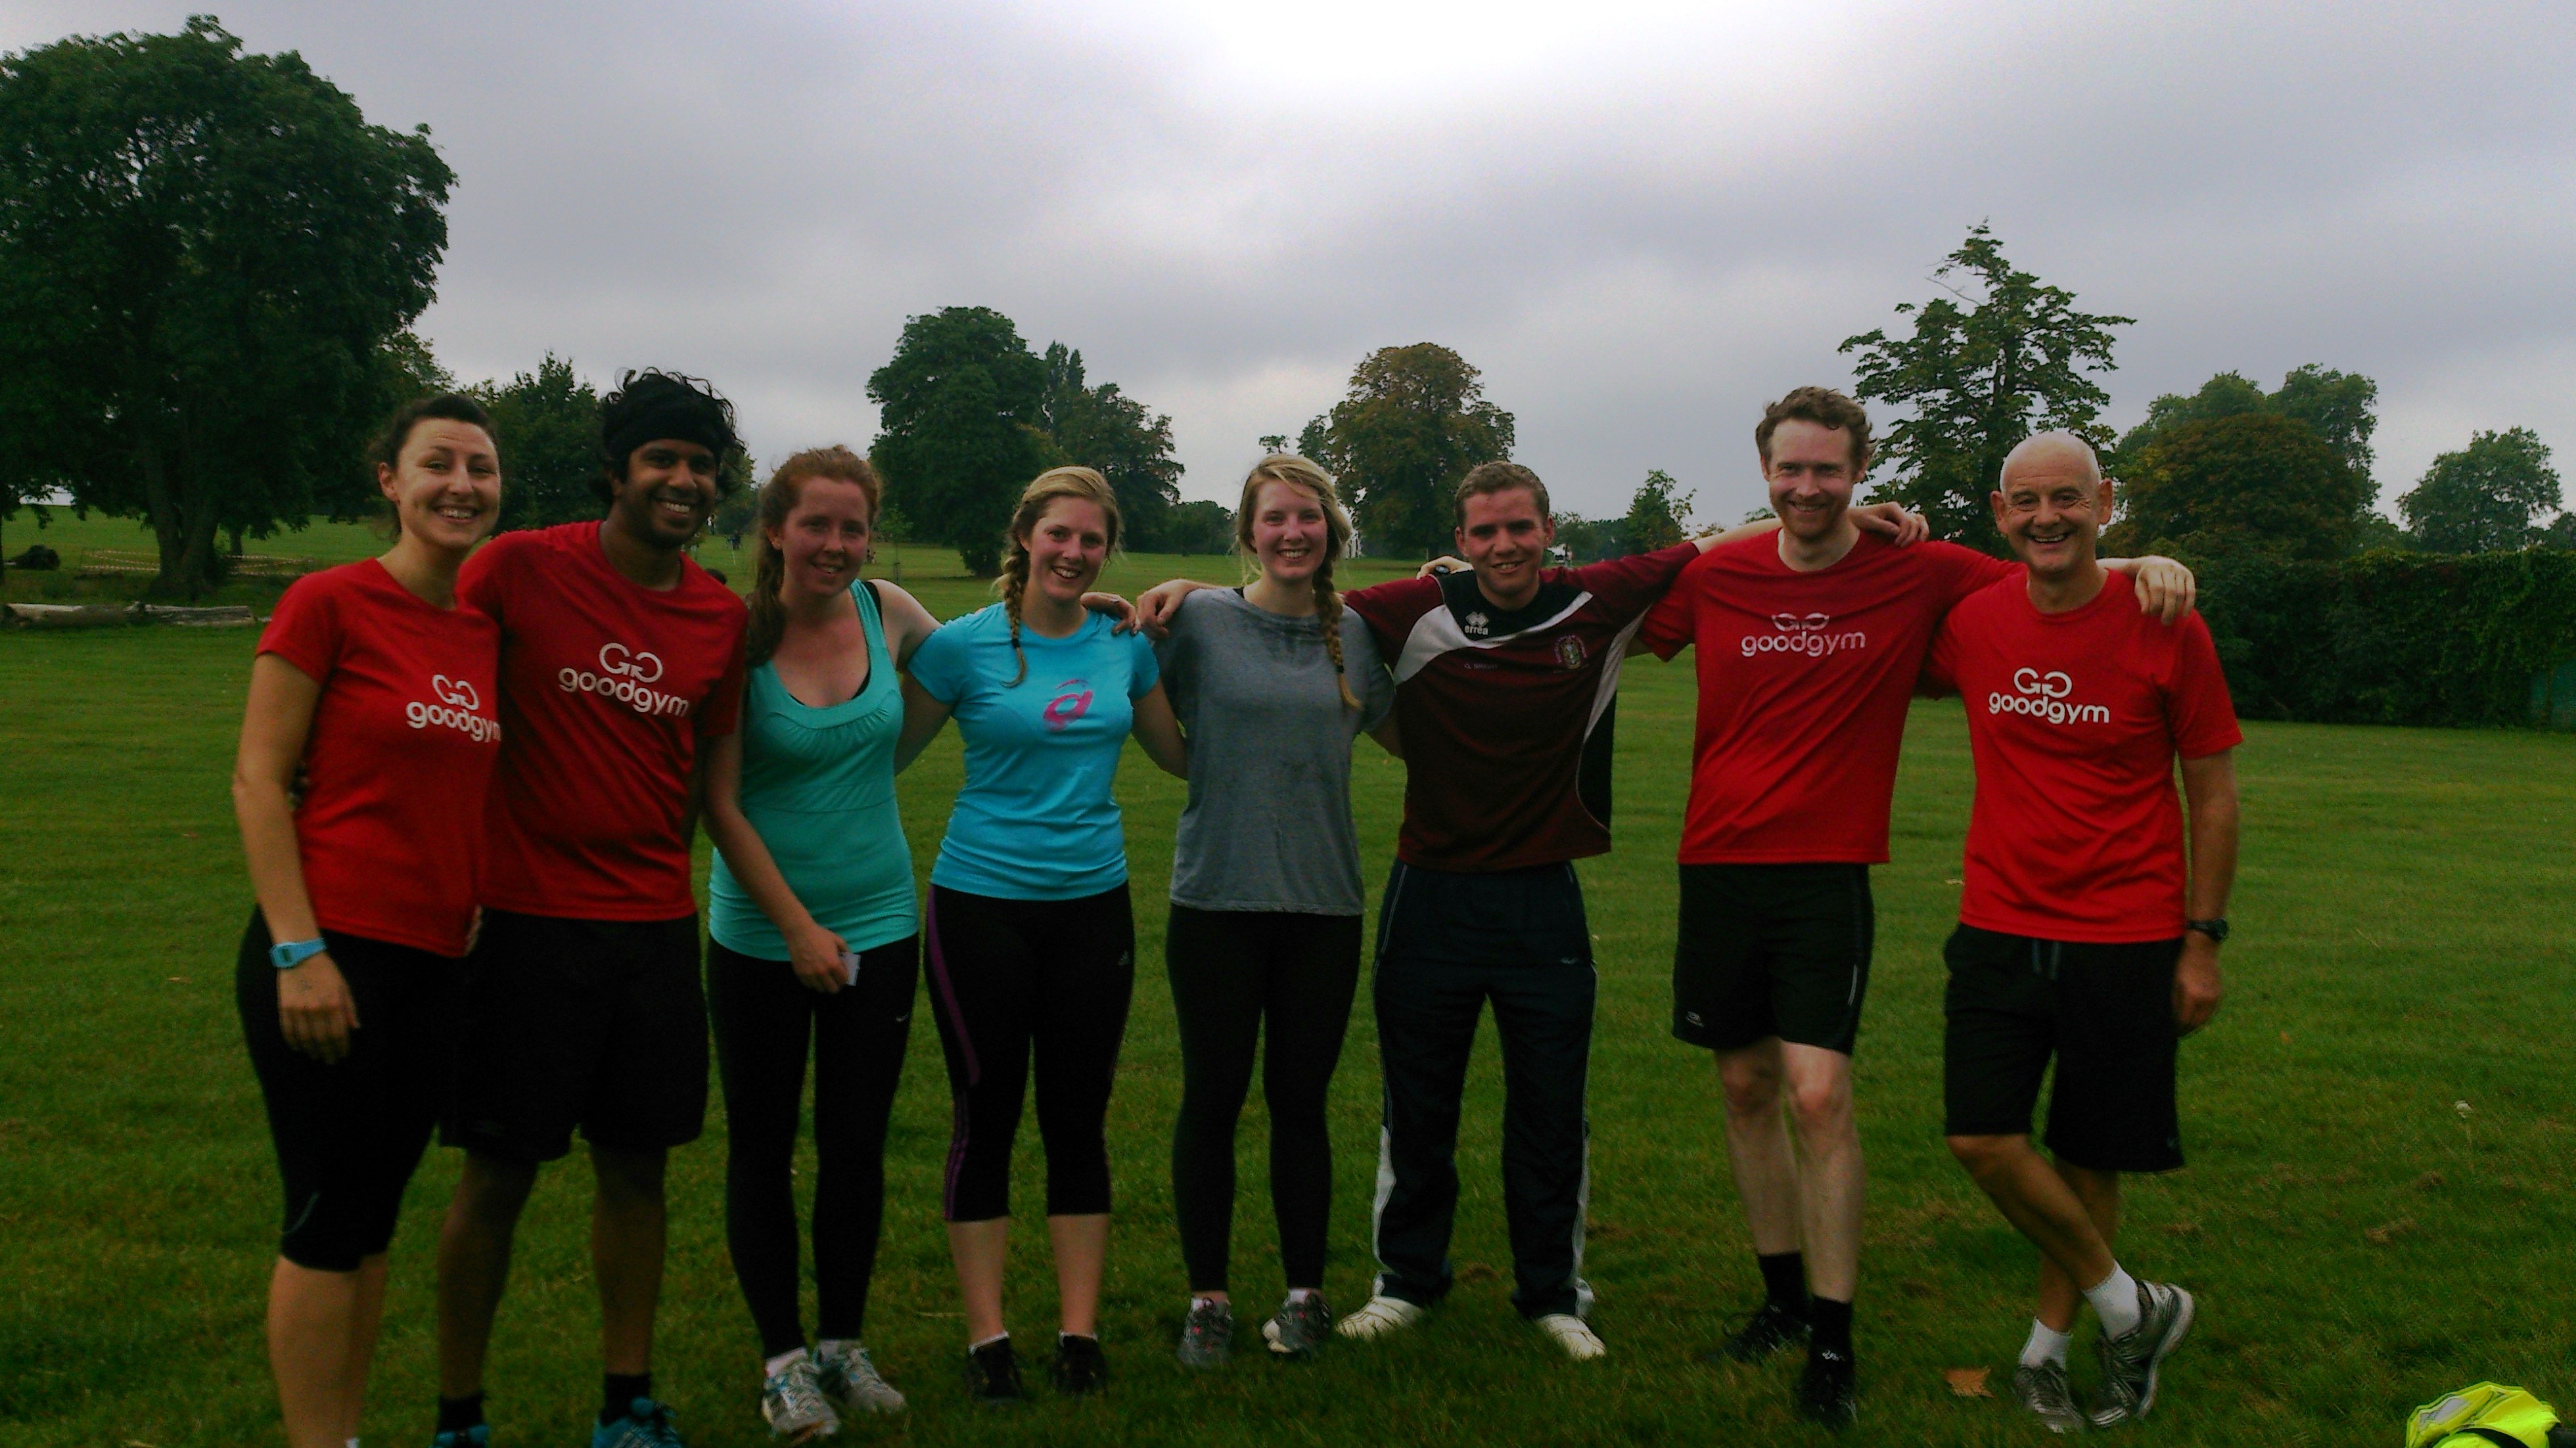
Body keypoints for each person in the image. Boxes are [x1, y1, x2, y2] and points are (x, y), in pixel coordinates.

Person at [1136, 463, 1919, 1363]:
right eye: (1485, 532)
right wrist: (1188, 586)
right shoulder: (1404, 610)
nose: (1504, 545)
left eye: (1520, 527)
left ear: (1549, 529)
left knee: (1549, 1109)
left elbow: (1711, 543)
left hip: (1544, 895)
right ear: (1462, 544)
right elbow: (1285, 588)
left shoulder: (1596, 599)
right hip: (1427, 891)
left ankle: (1554, 1293)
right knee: (1417, 1107)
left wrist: (1843, 511)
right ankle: (1406, 1283)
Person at [1636, 387, 2196, 1426]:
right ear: (1766, 473)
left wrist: (2137, 565)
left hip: (1827, 871)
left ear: (1860, 473)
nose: (1809, 488)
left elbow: (2051, 571)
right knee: (1747, 1088)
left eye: (1828, 471)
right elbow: (1612, 627)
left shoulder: (1914, 567)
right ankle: (1780, 1305)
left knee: (1816, 1096)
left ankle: (1836, 1345)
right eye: (1790, 471)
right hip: (1715, 862)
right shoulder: (1721, 573)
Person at [432, 372, 751, 1448]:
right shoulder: (518, 569)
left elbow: (713, 782)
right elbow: (423, 678)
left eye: (702, 465)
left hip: (653, 932)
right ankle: (459, 1414)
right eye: (662, 458)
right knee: (498, 1174)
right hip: (522, 925)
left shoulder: (718, 615)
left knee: (637, 1169)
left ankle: (627, 1400)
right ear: (616, 469)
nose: (684, 479)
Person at [1921, 433, 2238, 1432]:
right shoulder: (1972, 623)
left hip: (2129, 932)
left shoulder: (2168, 620)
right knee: (1980, 1135)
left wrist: (2203, 940)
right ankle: (2132, 1306)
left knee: (2090, 1153)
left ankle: (2047, 1356)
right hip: (1999, 923)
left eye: (2068, 498)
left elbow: (2215, 793)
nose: (2047, 516)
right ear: (1998, 511)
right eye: (2027, 502)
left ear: (2106, 501)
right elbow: (1850, 565)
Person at [231, 394, 506, 1448]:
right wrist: (300, 953)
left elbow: (461, 787)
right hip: (326, 958)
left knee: (375, 1218)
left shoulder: (480, 631)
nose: (461, 485)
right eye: (437, 463)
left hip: (436, 966)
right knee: (324, 1219)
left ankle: (343, 1432)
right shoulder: (328, 602)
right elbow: (259, 780)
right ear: (389, 481)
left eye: (480, 468)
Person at [895, 466, 1191, 1405]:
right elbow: (883, 753)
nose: (1072, 552)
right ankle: (989, 1341)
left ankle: (1079, 1334)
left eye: (1091, 540)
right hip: (978, 906)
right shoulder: (961, 649)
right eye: (1057, 535)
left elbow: (1182, 755)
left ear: (1108, 551)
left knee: (1077, 1120)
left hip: (1091, 907)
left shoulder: (1120, 644)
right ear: (1024, 537)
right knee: (986, 1116)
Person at [697, 448, 942, 1439]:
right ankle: (784, 1362)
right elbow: (715, 799)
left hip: (883, 926)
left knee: (855, 1147)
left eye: (853, 527)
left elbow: (987, 643)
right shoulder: (737, 635)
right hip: (761, 937)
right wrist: (797, 928)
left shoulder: (889, 611)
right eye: (818, 525)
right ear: (776, 529)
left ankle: (844, 1343)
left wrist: (1105, 597)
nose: (837, 545)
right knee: (761, 1147)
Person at [1154, 456, 1396, 1368]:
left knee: (1301, 1104)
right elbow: (1141, 700)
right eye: (1274, 519)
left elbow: (1412, 733)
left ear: (1331, 532)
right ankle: (1208, 1300)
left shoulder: (1359, 636)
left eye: (1308, 518)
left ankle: (1305, 1295)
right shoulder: (1202, 622)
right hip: (1215, 896)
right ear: (1248, 533)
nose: (1293, 533)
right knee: (1212, 1099)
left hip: (1324, 907)